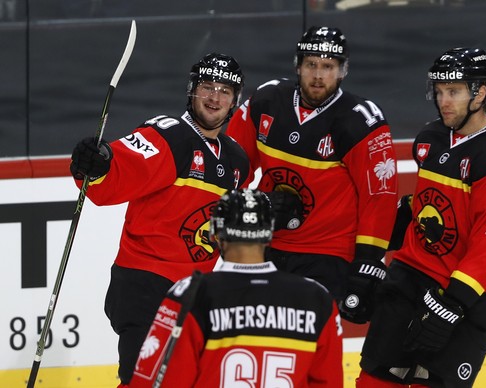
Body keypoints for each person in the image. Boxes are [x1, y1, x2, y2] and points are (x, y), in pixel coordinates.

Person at [69, 53, 250, 387]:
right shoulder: (168, 135)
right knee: (142, 381)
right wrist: (97, 166)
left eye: (224, 90)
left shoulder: (238, 160)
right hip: (145, 283)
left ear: (235, 100)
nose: (214, 97)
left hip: (195, 288)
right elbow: (117, 174)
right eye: (207, 87)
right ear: (191, 91)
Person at [356, 47, 486, 387]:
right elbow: (426, 204)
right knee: (374, 380)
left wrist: (453, 302)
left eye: (453, 92)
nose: (443, 101)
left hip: (469, 296)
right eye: (439, 91)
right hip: (411, 277)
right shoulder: (430, 139)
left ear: (480, 93)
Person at [226, 26, 398, 324]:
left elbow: (379, 198)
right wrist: (255, 202)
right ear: (298, 65)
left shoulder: (362, 121)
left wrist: (367, 263)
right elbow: (230, 169)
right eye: (311, 65)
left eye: (328, 67)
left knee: (306, 345)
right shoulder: (266, 101)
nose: (318, 75)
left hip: (327, 255)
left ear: (342, 71)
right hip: (264, 244)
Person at [128, 188, 344, 387]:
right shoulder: (317, 298)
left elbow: (157, 381)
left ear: (215, 234)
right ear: (268, 234)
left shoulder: (192, 293)